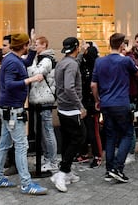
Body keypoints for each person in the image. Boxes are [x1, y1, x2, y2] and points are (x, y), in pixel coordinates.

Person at [0, 32, 48, 195]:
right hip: (13, 110)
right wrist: (31, 80)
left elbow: (28, 61)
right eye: (27, 44)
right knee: (21, 146)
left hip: (7, 108)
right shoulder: (13, 62)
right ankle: (26, 183)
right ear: (22, 46)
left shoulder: (12, 58)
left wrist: (31, 47)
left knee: (4, 144)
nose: (29, 47)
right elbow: (9, 84)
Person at [91, 33, 138, 183]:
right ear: (122, 46)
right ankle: (118, 168)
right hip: (121, 103)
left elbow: (93, 85)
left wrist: (97, 99)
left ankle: (109, 170)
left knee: (110, 136)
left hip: (106, 103)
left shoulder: (99, 62)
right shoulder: (125, 61)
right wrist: (128, 54)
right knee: (127, 134)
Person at [50, 37, 87, 193]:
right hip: (72, 109)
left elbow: (74, 63)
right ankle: (62, 172)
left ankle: (67, 171)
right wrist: (81, 107)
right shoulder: (71, 65)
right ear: (76, 47)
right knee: (79, 139)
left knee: (67, 140)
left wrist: (81, 53)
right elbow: (69, 87)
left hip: (63, 108)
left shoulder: (63, 62)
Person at [27, 35, 58, 172]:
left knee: (47, 131)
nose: (34, 47)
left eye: (37, 44)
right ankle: (47, 159)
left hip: (44, 99)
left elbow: (35, 73)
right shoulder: (40, 59)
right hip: (38, 98)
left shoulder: (46, 60)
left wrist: (30, 62)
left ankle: (52, 161)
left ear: (44, 45)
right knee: (40, 131)